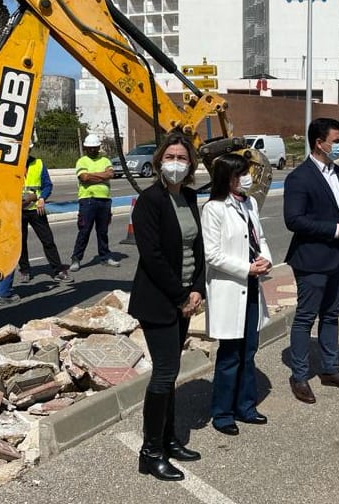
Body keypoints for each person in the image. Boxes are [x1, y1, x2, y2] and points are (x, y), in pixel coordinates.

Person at [127, 131, 204, 481]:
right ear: (159, 161)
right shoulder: (150, 201)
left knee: (171, 373)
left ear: (190, 165)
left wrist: (198, 289)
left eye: (182, 158)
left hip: (185, 298)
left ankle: (169, 439)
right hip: (159, 300)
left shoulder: (188, 197)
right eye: (170, 157)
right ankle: (150, 451)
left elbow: (198, 249)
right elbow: (153, 257)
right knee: (163, 372)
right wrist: (180, 297)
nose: (175, 163)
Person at [283, 118, 339, 404]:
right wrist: (334, 229)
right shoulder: (300, 177)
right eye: (336, 140)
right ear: (319, 143)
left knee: (332, 314)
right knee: (306, 317)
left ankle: (330, 370)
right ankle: (300, 375)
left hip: (338, 258)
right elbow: (294, 220)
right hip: (311, 260)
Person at [202, 154, 273, 435]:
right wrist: (247, 268)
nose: (245, 179)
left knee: (249, 350)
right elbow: (213, 255)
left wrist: (265, 260)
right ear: (226, 178)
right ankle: (222, 412)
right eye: (239, 174)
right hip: (230, 288)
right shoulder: (214, 209)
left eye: (246, 173)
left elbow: (260, 239)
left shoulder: (250, 203)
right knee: (230, 353)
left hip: (252, 287)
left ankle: (246, 406)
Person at [19, 149, 74, 283]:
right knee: (20, 242)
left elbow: (47, 185)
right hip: (17, 210)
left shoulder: (38, 164)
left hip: (36, 209)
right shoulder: (10, 166)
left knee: (47, 240)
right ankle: (24, 270)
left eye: (27, 149)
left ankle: (58, 270)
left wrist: (41, 198)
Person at [69, 134, 119, 271]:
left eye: (94, 147)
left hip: (104, 200)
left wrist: (93, 176)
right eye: (89, 148)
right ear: (85, 148)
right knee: (84, 230)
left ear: (98, 147)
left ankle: (105, 256)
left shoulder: (105, 160)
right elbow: (84, 178)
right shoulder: (82, 161)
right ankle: (76, 258)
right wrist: (101, 176)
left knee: (103, 231)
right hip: (88, 200)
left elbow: (110, 174)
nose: (92, 150)